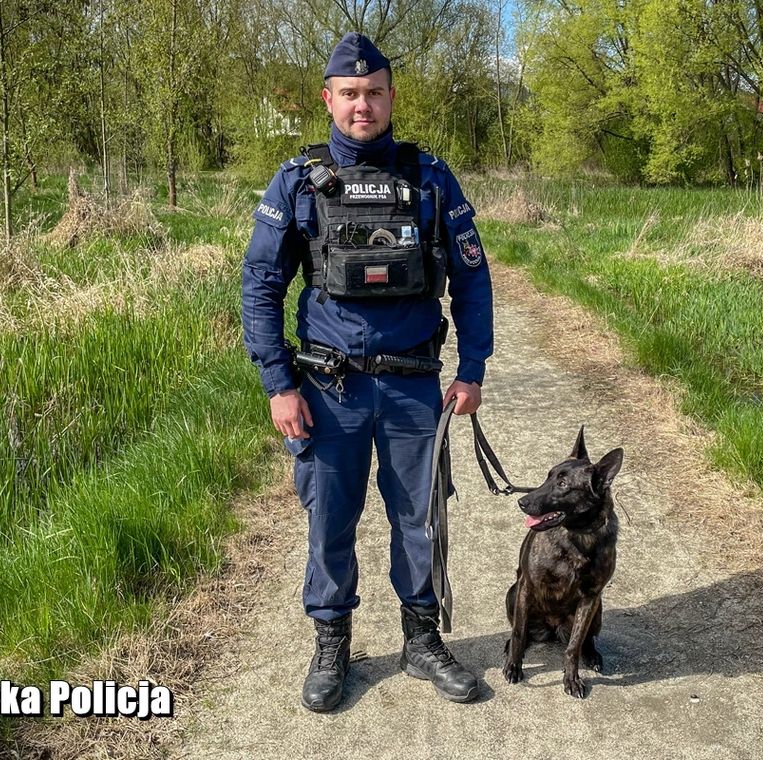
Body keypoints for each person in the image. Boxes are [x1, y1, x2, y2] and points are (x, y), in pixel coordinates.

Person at [240, 31, 493, 712]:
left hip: (414, 385)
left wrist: (471, 368)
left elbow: (472, 277)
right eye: (349, 94)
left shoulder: (431, 179)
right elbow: (260, 283)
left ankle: (421, 640)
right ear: (328, 98)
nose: (362, 105)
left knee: (421, 518)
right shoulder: (297, 181)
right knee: (330, 519)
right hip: (330, 389)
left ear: (391, 96)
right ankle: (332, 644)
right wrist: (277, 383)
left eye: (374, 92)